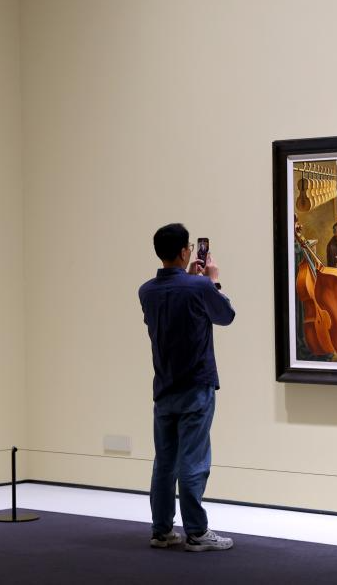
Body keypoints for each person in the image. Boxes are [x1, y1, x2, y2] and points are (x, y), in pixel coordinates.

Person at [138, 223, 235, 552]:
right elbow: (226, 315)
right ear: (184, 252)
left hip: (164, 386)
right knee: (194, 461)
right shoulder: (200, 286)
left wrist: (194, 281)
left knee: (164, 462)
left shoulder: (146, 291)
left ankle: (161, 531)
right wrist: (212, 281)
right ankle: (196, 532)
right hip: (196, 385)